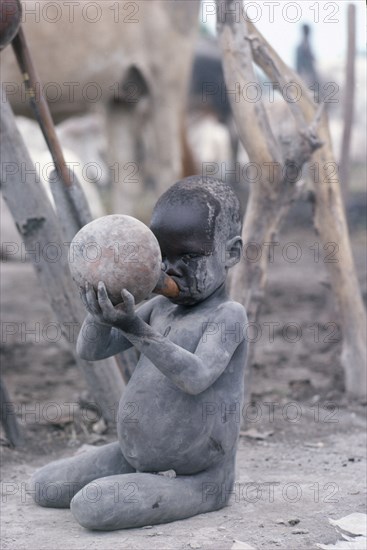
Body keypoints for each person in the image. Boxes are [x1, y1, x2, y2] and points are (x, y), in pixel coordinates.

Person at [30, 175, 248, 530]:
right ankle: (138, 474)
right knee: (44, 486)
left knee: (91, 506)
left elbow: (195, 377)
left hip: (198, 478)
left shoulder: (227, 316)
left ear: (232, 253)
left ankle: (206, 494)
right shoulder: (160, 308)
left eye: (189, 256)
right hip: (133, 456)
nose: (170, 269)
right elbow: (91, 349)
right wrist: (102, 311)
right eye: (162, 255)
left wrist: (134, 327)